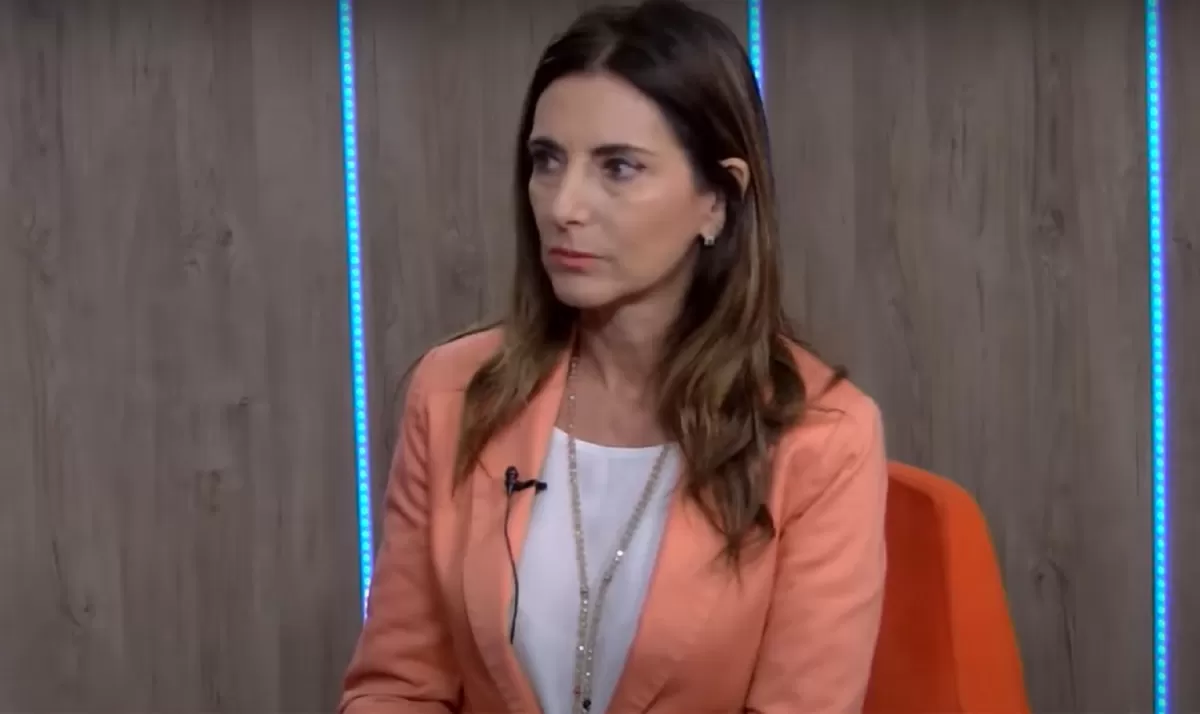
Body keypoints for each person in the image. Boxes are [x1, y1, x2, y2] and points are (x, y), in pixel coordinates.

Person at [339, 1, 887, 712]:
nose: (563, 206)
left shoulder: (824, 437)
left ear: (718, 200)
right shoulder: (453, 393)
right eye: (547, 161)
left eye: (618, 167)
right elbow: (398, 687)